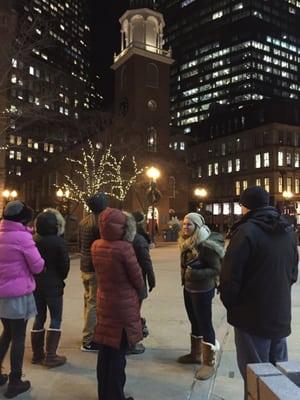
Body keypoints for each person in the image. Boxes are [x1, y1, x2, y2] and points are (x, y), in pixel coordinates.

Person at [220, 186, 299, 399]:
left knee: (255, 377)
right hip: (279, 315)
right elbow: (293, 273)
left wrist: (233, 305)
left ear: (246, 207)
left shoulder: (245, 232)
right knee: (279, 379)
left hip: (250, 318)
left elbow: (229, 277)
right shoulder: (288, 231)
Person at [91, 207, 145, 400]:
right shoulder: (124, 248)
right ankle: (115, 396)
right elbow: (137, 278)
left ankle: (104, 394)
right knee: (117, 356)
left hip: (105, 301)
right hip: (122, 306)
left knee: (105, 353)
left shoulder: (96, 245)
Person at [0, 201, 44, 398]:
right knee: (18, 336)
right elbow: (37, 266)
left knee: (7, 333)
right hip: (17, 296)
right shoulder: (23, 238)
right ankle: (15, 380)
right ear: (23, 218)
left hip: (1, 295)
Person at [178, 212, 224, 381]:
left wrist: (195, 274)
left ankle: (209, 362)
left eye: (189, 224)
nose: (185, 227)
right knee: (194, 320)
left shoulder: (206, 245)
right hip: (188, 288)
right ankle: (195, 354)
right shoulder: (186, 242)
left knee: (204, 323)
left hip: (203, 289)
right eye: (184, 224)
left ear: (197, 226)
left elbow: (216, 269)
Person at [31, 209, 70, 368]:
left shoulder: (33, 240)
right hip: (54, 285)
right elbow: (64, 266)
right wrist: (60, 276)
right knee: (55, 318)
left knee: (39, 317)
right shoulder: (58, 242)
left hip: (36, 284)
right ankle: (51, 356)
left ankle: (37, 354)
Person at [78, 192, 107, 352]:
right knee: (93, 303)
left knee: (88, 301)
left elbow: (80, 244)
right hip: (95, 267)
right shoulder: (101, 223)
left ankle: (88, 334)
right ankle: (88, 339)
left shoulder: (83, 222)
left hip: (84, 266)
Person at [127, 211, 156, 354]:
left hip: (121, 283)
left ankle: (126, 341)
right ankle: (131, 343)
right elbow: (146, 262)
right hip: (136, 282)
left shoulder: (120, 239)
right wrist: (151, 279)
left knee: (126, 313)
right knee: (133, 313)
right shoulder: (139, 240)